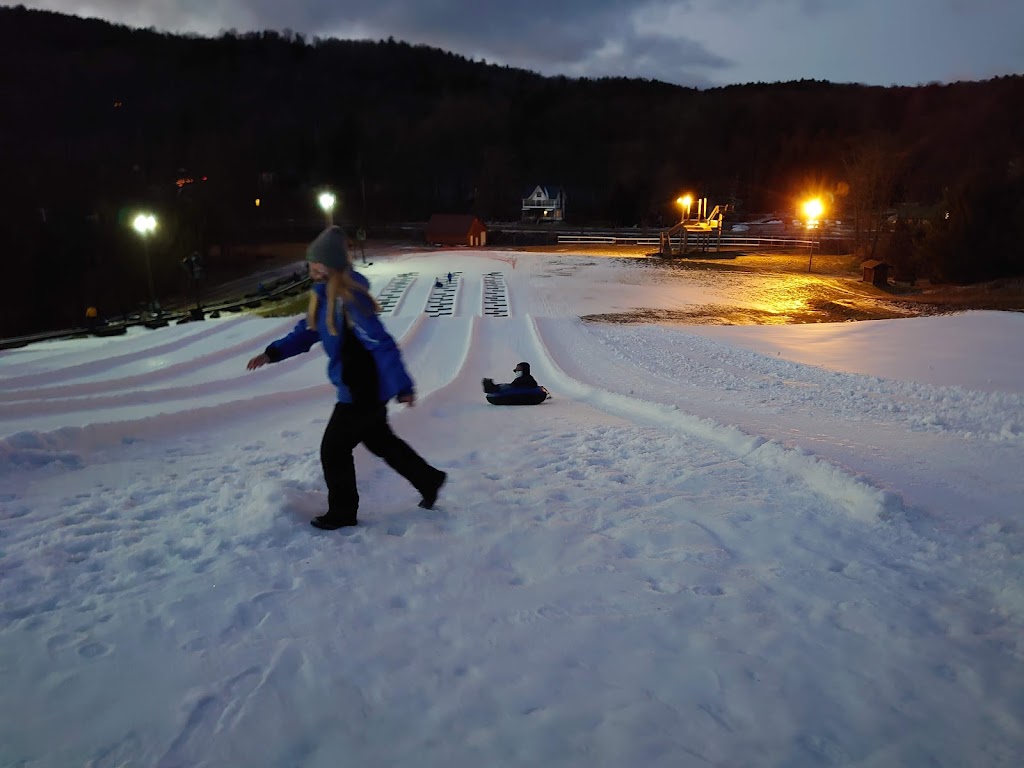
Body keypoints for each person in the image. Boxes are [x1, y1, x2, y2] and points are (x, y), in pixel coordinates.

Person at [246, 226, 446, 530]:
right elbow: (305, 333)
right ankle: (428, 480)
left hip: (361, 390)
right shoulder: (325, 299)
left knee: (334, 449)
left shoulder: (350, 303)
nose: (311, 267)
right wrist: (272, 353)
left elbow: (383, 344)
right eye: (311, 262)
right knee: (381, 441)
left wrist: (403, 386)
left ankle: (343, 512)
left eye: (316, 263)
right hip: (362, 390)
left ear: (330, 266)